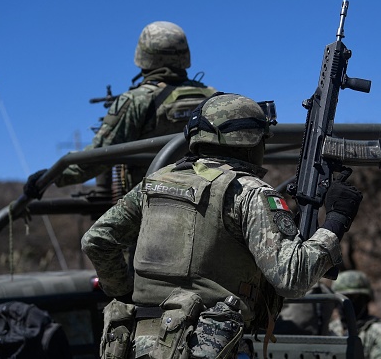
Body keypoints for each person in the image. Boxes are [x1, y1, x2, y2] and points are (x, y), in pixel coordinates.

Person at [80, 93, 364, 358]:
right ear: (252, 141)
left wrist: (124, 293)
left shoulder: (153, 184)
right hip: (205, 347)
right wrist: (336, 221)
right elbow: (291, 278)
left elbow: (97, 239)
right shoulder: (248, 191)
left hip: (137, 346)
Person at [24, 21, 216, 199]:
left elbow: (97, 157)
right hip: (208, 200)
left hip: (151, 205)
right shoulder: (214, 98)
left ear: (143, 56)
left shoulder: (136, 101)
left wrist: (51, 177)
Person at [330, 270, 381, 359]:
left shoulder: (379, 332)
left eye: (353, 297)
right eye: (342, 297)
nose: (346, 304)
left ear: (365, 299)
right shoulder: (332, 328)